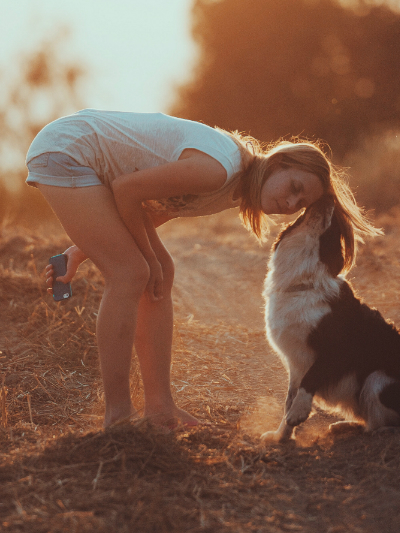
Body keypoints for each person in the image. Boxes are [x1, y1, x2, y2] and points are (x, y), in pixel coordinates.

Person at [25, 109, 381, 429]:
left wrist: (80, 250)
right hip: (68, 150)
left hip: (86, 160)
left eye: (299, 204)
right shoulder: (219, 169)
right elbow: (126, 189)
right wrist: (145, 258)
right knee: (132, 272)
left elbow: (152, 209)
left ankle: (160, 408)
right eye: (294, 187)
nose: (289, 203)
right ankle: (118, 417)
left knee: (160, 269)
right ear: (279, 163)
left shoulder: (232, 185)